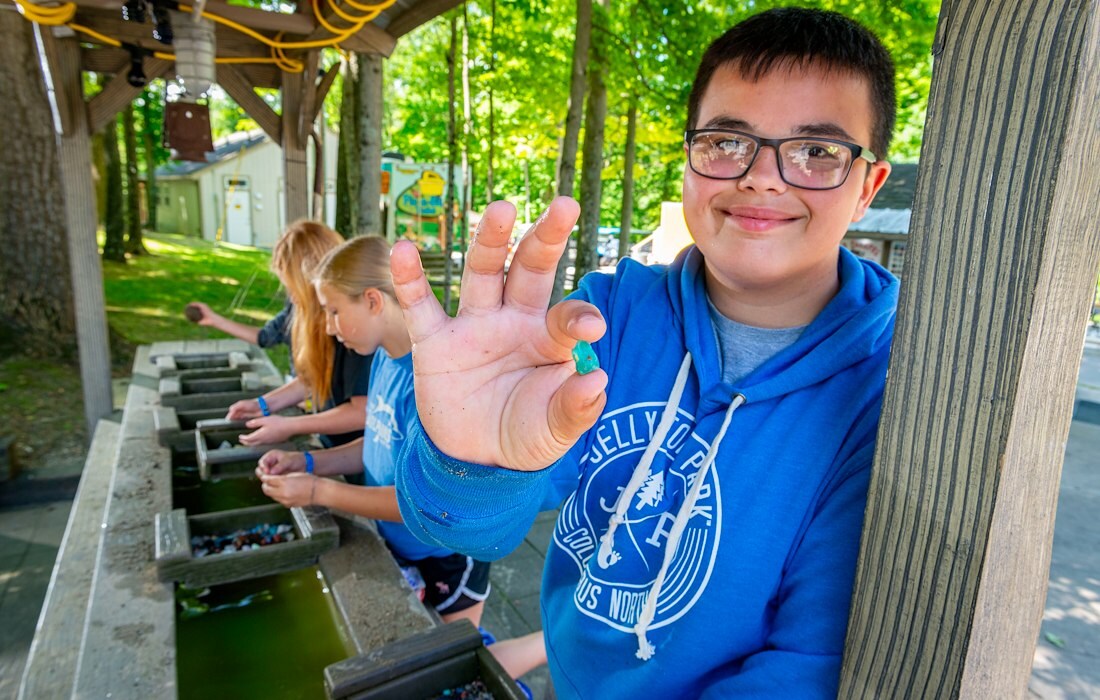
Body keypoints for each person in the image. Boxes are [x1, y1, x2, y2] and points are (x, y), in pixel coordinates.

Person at [390, 7, 896, 698]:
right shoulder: (608, 315)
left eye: (817, 152)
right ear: (689, 157)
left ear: (867, 185)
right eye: (727, 142)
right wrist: (474, 458)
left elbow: (807, 669)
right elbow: (466, 529)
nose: (763, 178)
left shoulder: (890, 388)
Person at [255, 236, 547, 682]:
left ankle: (547, 643)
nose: (329, 327)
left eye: (334, 311)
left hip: (446, 551)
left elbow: (420, 502)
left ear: (373, 301)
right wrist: (309, 464)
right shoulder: (384, 360)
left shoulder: (430, 379)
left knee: (453, 667)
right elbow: (376, 444)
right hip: (400, 544)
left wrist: (319, 491)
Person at [220, 221, 374, 450]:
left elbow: (361, 412)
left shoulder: (352, 330)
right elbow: (315, 376)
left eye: (293, 289)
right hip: (333, 447)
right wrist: (262, 404)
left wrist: (290, 426)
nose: (292, 299)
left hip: (359, 456)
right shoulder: (323, 321)